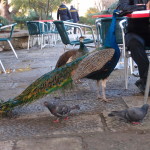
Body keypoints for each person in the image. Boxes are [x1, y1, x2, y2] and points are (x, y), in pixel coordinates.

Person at [116, 0, 150, 93]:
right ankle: (146, 80)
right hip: (135, 32)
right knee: (134, 43)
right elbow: (120, 7)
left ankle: (145, 81)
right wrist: (144, 7)